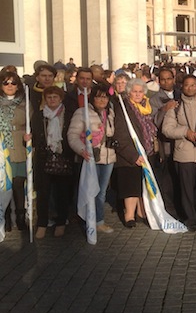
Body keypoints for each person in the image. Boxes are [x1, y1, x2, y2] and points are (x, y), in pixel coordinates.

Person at [162, 75, 196, 231]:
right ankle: (190, 219)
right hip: (183, 153)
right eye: (187, 85)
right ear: (182, 87)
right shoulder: (175, 106)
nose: (190, 88)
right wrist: (185, 132)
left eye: (193, 85)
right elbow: (167, 129)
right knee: (186, 190)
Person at [67, 83, 116, 234]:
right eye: (98, 97)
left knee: (101, 191)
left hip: (107, 156)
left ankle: (99, 220)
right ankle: (88, 219)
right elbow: (73, 135)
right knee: (89, 190)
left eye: (105, 97)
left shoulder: (110, 113)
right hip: (89, 157)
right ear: (92, 98)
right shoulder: (82, 112)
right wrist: (81, 150)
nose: (102, 100)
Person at [31, 86, 74, 238]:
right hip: (44, 158)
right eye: (49, 97)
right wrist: (27, 140)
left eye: (55, 97)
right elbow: (34, 136)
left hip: (63, 157)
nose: (52, 100)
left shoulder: (68, 115)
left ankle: (61, 222)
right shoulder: (39, 116)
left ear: (61, 99)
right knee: (43, 192)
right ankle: (42, 223)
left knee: (62, 192)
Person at [113, 78, 156, 227]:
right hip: (129, 153)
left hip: (146, 151)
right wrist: (132, 155)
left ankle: (141, 212)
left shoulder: (146, 106)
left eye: (140, 92)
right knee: (130, 185)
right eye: (134, 91)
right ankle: (129, 215)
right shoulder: (124, 107)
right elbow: (120, 133)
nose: (137, 94)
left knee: (142, 184)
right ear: (129, 92)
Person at [150, 68, 181, 219]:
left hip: (182, 143)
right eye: (163, 79)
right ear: (159, 81)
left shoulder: (180, 93)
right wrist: (163, 109)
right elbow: (154, 122)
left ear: (173, 79)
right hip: (166, 145)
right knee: (167, 178)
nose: (166, 82)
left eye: (169, 78)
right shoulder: (154, 99)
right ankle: (170, 208)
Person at [0, 72, 28, 231]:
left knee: (18, 183)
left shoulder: (25, 102)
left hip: (19, 145)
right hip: (2, 147)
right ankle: (5, 216)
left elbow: (31, 122)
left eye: (13, 83)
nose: (9, 86)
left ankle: (20, 215)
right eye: (6, 83)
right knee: (5, 184)